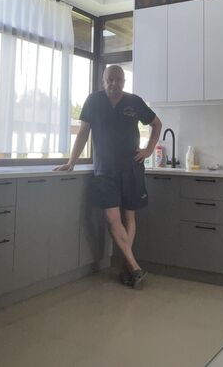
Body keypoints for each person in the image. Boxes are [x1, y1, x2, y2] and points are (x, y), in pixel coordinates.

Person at [55, 65, 162, 289]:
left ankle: (127, 267)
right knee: (112, 218)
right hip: (105, 170)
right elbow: (83, 132)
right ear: (103, 81)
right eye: (110, 79)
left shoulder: (134, 102)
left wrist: (149, 149)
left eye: (118, 79)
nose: (114, 83)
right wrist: (72, 162)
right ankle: (135, 267)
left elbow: (156, 124)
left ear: (124, 81)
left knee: (129, 217)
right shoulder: (93, 101)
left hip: (132, 168)